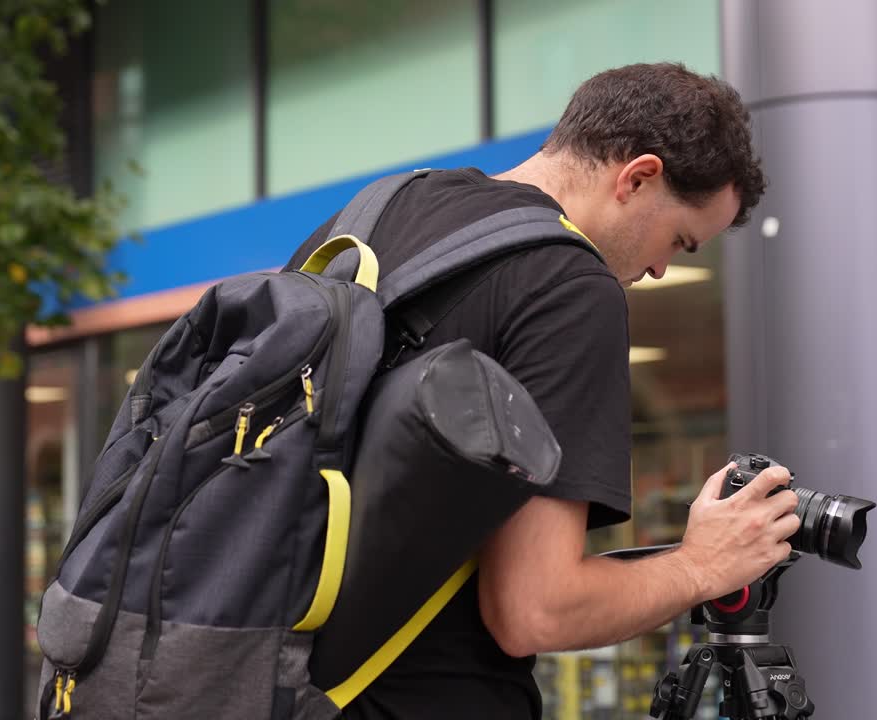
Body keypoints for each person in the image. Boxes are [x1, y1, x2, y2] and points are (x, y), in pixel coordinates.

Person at [285, 62, 797, 719]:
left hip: (272, 686)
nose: (662, 267)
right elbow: (535, 610)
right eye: (679, 240)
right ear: (637, 177)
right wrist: (703, 566)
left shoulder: (370, 216)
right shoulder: (569, 287)